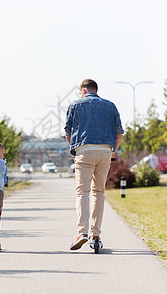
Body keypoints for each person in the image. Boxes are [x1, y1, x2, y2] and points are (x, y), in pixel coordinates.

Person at [64, 79, 124, 250]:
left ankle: (81, 232)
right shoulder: (110, 106)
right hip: (105, 151)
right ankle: (95, 234)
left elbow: (68, 133)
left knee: (82, 191)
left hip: (84, 150)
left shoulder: (75, 105)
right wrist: (112, 152)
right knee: (99, 192)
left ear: (83, 90)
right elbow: (119, 134)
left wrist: (74, 151)